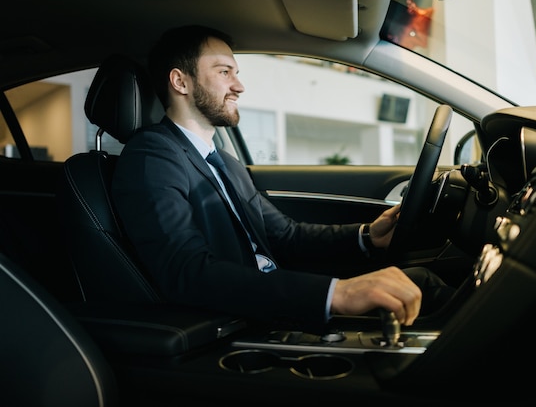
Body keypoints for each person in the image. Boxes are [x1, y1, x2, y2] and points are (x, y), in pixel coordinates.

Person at [111, 25, 455, 332]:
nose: (239, 85)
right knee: (426, 289)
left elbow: (287, 236)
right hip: (242, 319)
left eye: (237, 72)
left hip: (272, 299)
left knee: (421, 282)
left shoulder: (226, 163)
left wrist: (367, 236)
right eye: (224, 71)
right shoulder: (152, 155)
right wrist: (338, 293)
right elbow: (187, 272)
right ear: (180, 81)